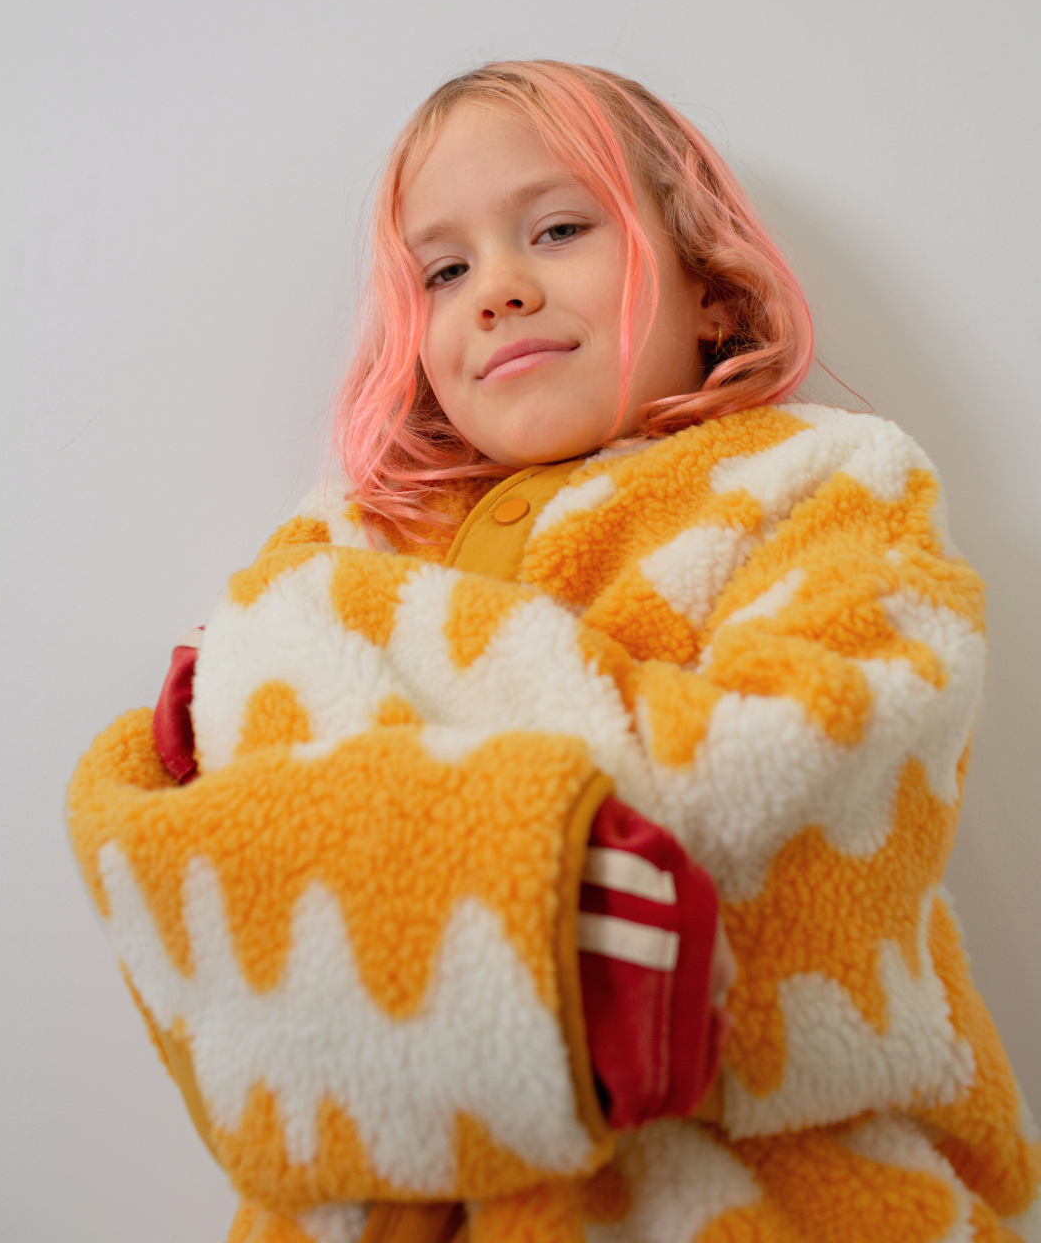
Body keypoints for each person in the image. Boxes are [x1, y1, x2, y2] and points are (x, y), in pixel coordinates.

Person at [68, 61, 1041, 1243]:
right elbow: (184, 837)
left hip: (753, 1186)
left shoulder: (826, 483)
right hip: (407, 1192)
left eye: (560, 229)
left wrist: (398, 710)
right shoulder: (344, 545)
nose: (500, 290)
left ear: (711, 289)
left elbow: (803, 772)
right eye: (445, 269)